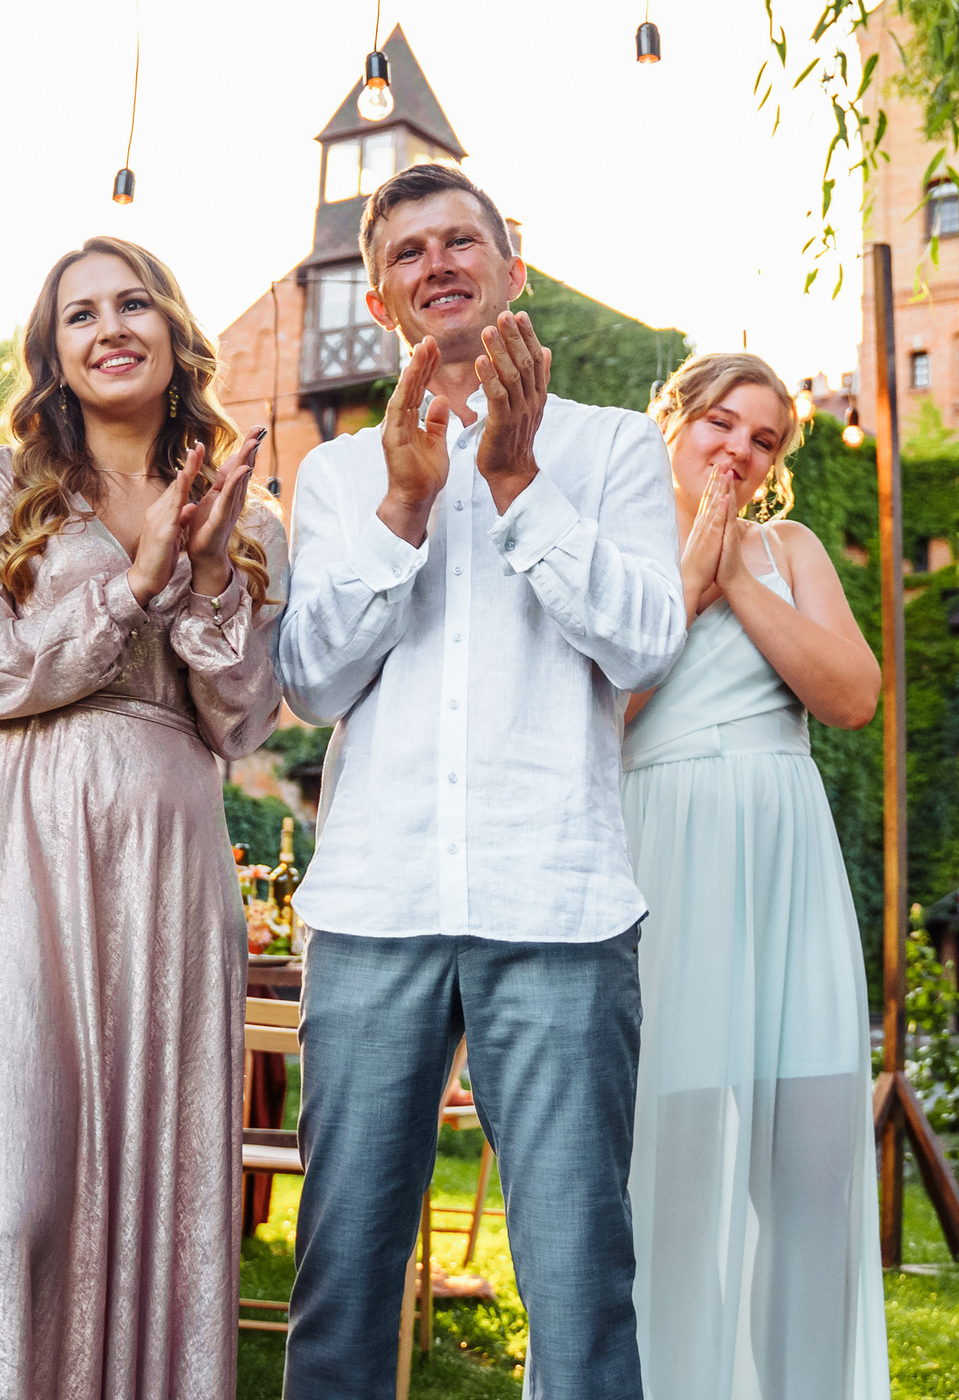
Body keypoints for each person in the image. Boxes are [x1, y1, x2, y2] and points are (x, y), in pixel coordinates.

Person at [273, 161, 686, 1398]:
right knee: (341, 1273)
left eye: (462, 241)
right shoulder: (339, 477)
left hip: (554, 904)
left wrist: (514, 483)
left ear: (513, 262)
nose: (437, 263)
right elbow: (311, 684)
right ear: (385, 298)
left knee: (575, 1278)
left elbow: (646, 642)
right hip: (375, 908)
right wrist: (406, 505)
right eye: (407, 253)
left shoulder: (612, 449)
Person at [0, 238, 282, 1398]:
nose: (110, 328)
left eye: (133, 302)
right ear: (51, 354)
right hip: (24, 845)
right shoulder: (4, 487)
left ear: (171, 328)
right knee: (4, 1191)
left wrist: (205, 580)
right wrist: (132, 587)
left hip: (170, 855)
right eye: (80, 314)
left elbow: (241, 720)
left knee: (156, 1184)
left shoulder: (249, 515)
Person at [620, 351, 886, 1399]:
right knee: (673, 1163)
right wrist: (690, 573)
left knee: (814, 1159)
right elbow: (604, 718)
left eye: (763, 437)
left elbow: (851, 694)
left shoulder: (791, 548)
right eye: (719, 424)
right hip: (668, 853)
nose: (737, 448)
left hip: (787, 856)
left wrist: (735, 571)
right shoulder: (617, 547)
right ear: (672, 422)